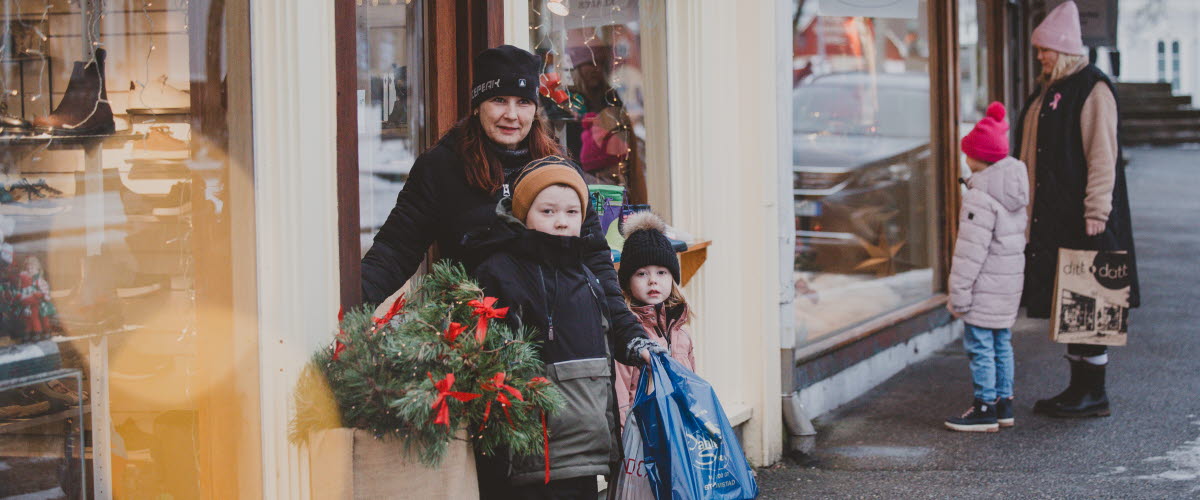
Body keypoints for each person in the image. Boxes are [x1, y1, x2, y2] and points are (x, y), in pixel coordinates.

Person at [358, 44, 650, 359]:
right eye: (499, 100)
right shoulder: (442, 167)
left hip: (560, 344)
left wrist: (628, 335)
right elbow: (395, 250)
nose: (511, 115)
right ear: (477, 105)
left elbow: (595, 259)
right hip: (477, 351)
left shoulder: (555, 167)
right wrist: (349, 310)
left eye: (523, 102)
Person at [465, 156, 664, 499]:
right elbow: (487, 360)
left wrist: (639, 347)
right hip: (532, 459)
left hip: (586, 451)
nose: (561, 223)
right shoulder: (501, 272)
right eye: (548, 212)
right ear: (523, 214)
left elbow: (611, 332)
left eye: (572, 213)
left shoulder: (586, 275)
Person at [1014, 1, 1139, 418]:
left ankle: (1094, 393)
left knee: (1091, 303)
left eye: (1045, 50)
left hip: (1084, 216)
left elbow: (1103, 155)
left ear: (1064, 48)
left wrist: (1097, 211)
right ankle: (1077, 389)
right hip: (1055, 217)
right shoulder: (1050, 88)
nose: (1041, 57)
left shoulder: (1092, 87)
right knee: (1071, 304)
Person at [944, 102, 1029, 433]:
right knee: (1001, 344)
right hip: (1006, 287)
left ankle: (984, 407)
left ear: (977, 158)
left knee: (979, 346)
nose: (964, 159)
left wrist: (959, 293)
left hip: (982, 289)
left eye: (967, 154)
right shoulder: (1011, 187)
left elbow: (969, 253)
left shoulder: (979, 198)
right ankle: (1004, 404)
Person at [612, 211, 696, 429]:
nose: (652, 281)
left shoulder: (680, 333)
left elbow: (693, 388)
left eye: (661, 272)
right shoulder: (627, 334)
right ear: (627, 281)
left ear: (672, 278)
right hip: (643, 438)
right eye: (641, 274)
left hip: (679, 434)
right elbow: (620, 398)